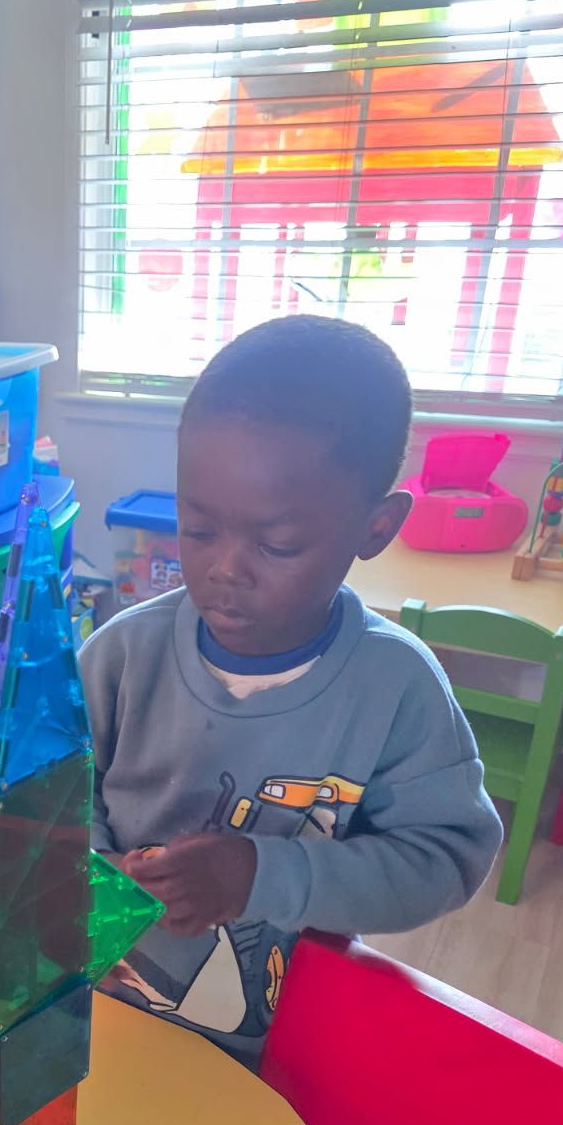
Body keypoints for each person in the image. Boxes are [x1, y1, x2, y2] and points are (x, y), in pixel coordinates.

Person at [78, 315, 503, 1068]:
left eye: (276, 545)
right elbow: (46, 808)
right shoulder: (118, 656)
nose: (224, 569)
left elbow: (444, 861)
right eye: (199, 528)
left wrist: (260, 876)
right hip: (96, 1027)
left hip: (273, 1055)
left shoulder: (396, 689)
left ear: (376, 526)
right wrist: (86, 868)